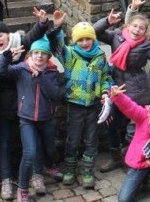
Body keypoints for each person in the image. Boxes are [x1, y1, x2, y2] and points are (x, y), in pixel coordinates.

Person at [0, 13, 51, 200]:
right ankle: (7, 179)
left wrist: (42, 22)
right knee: (5, 142)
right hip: (6, 104)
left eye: (0, 35)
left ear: (8, 34)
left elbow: (34, 34)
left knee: (34, 140)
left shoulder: (21, 43)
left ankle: (37, 174)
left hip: (29, 101)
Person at [94, 9, 150, 171]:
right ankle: (116, 157)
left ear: (145, 31)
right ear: (128, 26)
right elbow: (95, 32)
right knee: (111, 122)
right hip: (116, 87)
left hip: (137, 90)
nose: (137, 30)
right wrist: (107, 20)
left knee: (135, 126)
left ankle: (132, 156)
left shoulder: (147, 45)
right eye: (134, 26)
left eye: (141, 28)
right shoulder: (116, 36)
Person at [0, 37, 65, 202]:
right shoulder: (21, 69)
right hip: (26, 119)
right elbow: (2, 71)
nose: (39, 56)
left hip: (46, 117)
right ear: (31, 54)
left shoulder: (52, 71)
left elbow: (55, 94)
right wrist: (6, 56)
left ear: (48, 56)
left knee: (50, 148)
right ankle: (23, 190)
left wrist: (41, 78)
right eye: (36, 53)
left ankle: (49, 167)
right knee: (30, 153)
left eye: (43, 53)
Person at [48, 14, 112, 189]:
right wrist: (56, 27)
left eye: (88, 39)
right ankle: (69, 170)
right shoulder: (69, 54)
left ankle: (88, 171)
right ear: (75, 41)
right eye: (81, 40)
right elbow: (56, 45)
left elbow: (106, 76)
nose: (85, 43)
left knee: (92, 140)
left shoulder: (100, 56)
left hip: (93, 105)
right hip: (75, 104)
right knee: (73, 139)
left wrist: (106, 92)